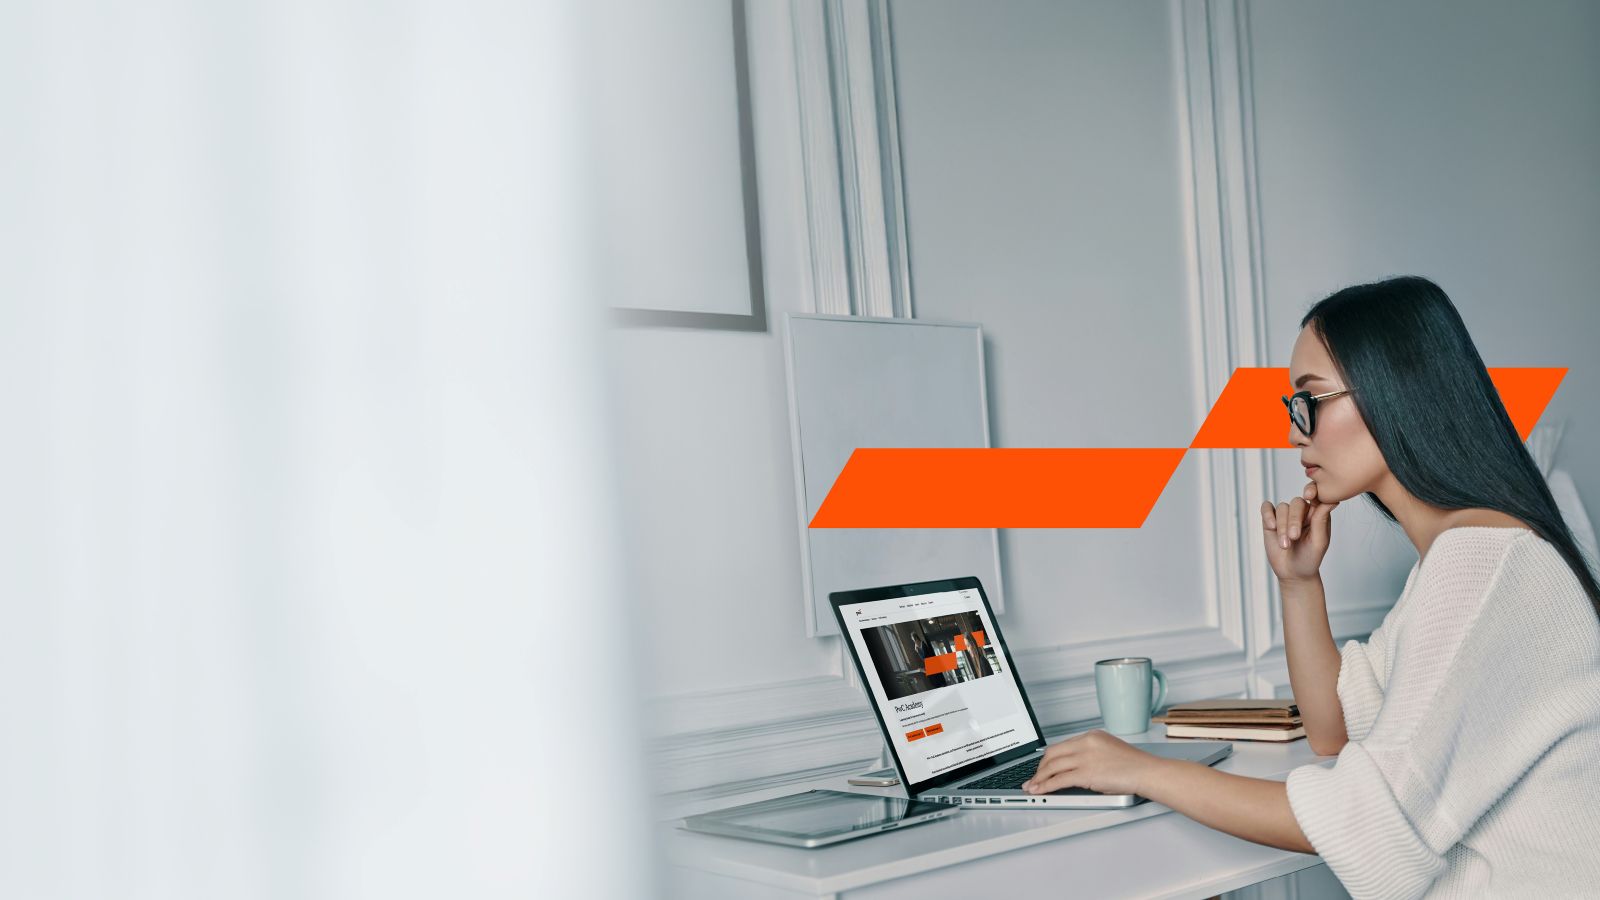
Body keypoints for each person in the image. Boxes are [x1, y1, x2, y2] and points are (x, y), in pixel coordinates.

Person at [1020, 275, 1600, 898]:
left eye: (1312, 400)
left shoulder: (1482, 564)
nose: (1296, 432)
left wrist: (1142, 769)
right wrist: (1299, 584)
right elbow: (1336, 729)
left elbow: (1367, 825)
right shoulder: (1463, 558)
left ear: (1393, 394)